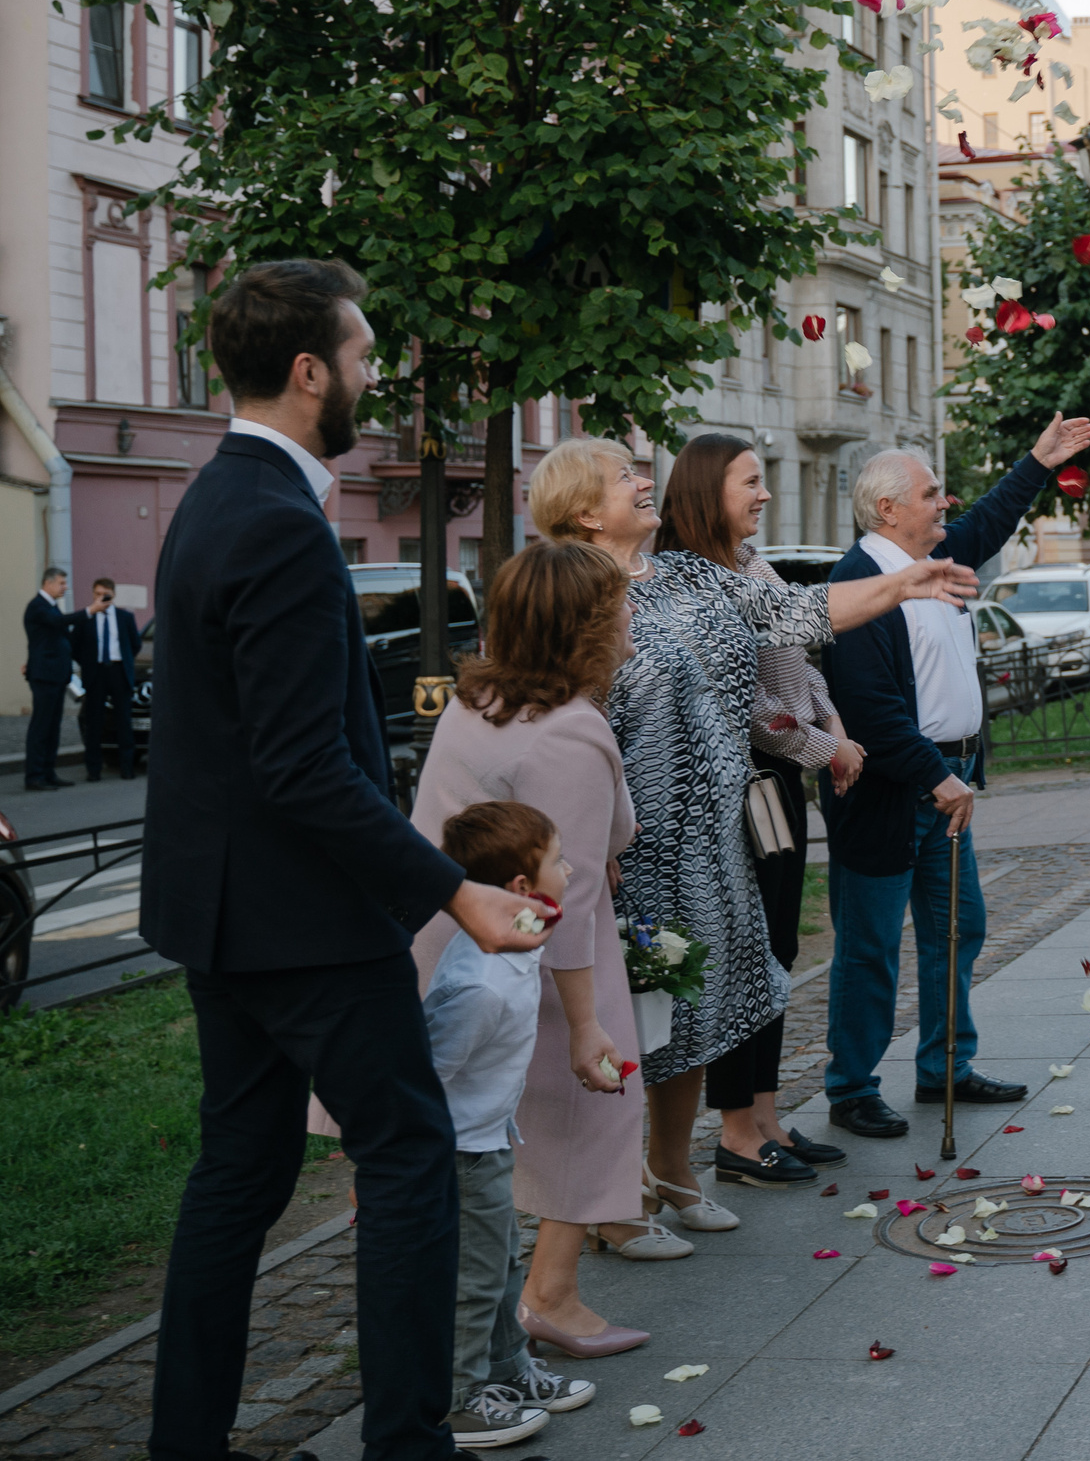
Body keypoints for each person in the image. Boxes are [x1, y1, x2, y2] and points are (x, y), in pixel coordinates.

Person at [139, 258, 548, 1461]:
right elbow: (301, 767)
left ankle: (185, 1443)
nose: (375, 378)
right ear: (311, 370)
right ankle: (408, 1443)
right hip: (308, 924)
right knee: (411, 1155)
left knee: (240, 1174)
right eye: (365, 357)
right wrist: (454, 893)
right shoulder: (278, 521)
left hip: (226, 919)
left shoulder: (214, 496)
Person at [528, 434, 977, 1229]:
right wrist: (587, 842)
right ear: (584, 513)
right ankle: (610, 1206)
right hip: (631, 848)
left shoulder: (688, 574)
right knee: (628, 1021)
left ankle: (672, 1172)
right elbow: (562, 728)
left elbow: (800, 613)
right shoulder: (568, 593)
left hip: (716, 836)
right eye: (624, 475)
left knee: (698, 1010)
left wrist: (904, 582)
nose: (644, 482)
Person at [404, 539, 672, 1367]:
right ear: (583, 626)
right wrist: (589, 1024)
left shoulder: (477, 701)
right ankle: (550, 1297)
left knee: (467, 1119)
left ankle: (472, 1302)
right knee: (596, 1105)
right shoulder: (569, 731)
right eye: (618, 605)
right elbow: (570, 897)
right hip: (530, 948)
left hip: (446, 938)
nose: (631, 616)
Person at [818, 415, 1090, 1140]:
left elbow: (989, 521)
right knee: (870, 944)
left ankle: (946, 1065)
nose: (944, 503)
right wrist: (935, 775)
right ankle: (851, 1086)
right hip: (892, 789)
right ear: (888, 509)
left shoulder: (935, 559)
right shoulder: (859, 582)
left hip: (948, 780)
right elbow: (870, 710)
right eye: (930, 493)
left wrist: (1038, 461)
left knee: (956, 928)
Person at [660, 436, 863, 1177]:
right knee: (746, 951)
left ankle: (768, 1117)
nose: (765, 493)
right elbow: (749, 708)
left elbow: (796, 665)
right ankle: (737, 1132)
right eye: (751, 481)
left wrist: (831, 720)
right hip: (741, 786)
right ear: (708, 490)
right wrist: (825, 747)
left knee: (778, 947)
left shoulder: (751, 565)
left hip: (778, 783)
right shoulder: (692, 581)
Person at [422, 800, 580, 1450]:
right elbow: (425, 1078)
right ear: (521, 885)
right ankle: (459, 1401)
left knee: (501, 1266)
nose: (569, 870)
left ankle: (508, 1369)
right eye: (558, 861)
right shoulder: (480, 984)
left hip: (488, 1140)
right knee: (475, 1279)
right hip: (460, 1152)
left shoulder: (517, 941)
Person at [77, 576, 141, 782]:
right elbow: (75, 645)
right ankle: (93, 769)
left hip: (118, 671)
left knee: (123, 720)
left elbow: (135, 644)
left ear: (113, 595)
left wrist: (124, 662)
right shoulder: (86, 618)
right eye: (97, 594)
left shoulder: (124, 617)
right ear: (92, 594)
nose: (101, 598)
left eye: (105, 595)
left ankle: (127, 767)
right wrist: (88, 663)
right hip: (96, 673)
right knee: (94, 722)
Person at [21, 566, 74, 791]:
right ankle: (34, 775)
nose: (65, 587)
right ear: (48, 583)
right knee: (41, 727)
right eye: (61, 583)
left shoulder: (51, 606)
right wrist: (90, 611)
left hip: (56, 675)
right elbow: (57, 624)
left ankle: (48, 772)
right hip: (44, 676)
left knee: (53, 727)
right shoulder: (38, 606)